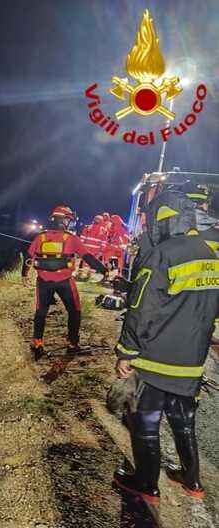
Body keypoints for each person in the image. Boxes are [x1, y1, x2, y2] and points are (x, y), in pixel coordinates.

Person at [113, 190, 219, 503]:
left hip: (156, 359)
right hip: (193, 359)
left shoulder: (162, 254)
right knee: (184, 421)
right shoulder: (211, 255)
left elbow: (141, 309)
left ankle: (146, 483)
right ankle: (191, 479)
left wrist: (126, 352)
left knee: (144, 421)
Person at [22, 205, 108, 360]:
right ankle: (72, 344)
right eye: (68, 220)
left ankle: (37, 343)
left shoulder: (40, 237)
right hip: (65, 282)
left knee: (41, 313)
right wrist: (103, 270)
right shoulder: (71, 238)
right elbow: (87, 256)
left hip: (43, 282)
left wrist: (24, 275)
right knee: (74, 312)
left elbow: (28, 257)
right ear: (63, 221)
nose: (69, 223)